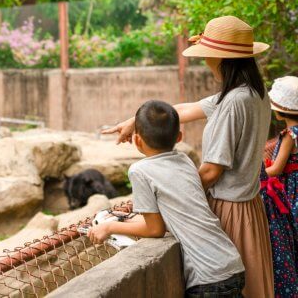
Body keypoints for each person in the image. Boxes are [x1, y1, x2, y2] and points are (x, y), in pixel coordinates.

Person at [101, 16, 274, 297]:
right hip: (250, 207)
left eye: (207, 55)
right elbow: (186, 109)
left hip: (230, 210)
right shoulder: (253, 92)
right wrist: (136, 120)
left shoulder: (232, 103)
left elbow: (210, 172)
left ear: (221, 59)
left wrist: (172, 198)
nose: (204, 61)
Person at [88, 100, 245, 296]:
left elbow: (155, 229)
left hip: (208, 278)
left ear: (137, 141)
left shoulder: (140, 171)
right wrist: (124, 218)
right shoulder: (185, 160)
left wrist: (109, 226)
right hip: (231, 262)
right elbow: (172, 211)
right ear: (179, 137)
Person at [260, 76, 298, 296]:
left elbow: (276, 169)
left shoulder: (289, 136)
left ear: (279, 111)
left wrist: (256, 172)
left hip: (290, 193)